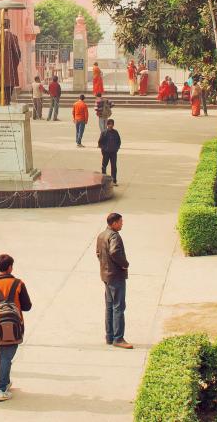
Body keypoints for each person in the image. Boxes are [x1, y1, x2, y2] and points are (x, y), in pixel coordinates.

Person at [0, 254, 32, 402]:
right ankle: (2, 388)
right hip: (15, 325)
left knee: (3, 352)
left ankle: (5, 381)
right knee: (6, 356)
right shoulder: (18, 283)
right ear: (10, 267)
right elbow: (27, 306)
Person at [96, 213, 131, 348]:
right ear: (114, 223)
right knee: (118, 307)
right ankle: (118, 338)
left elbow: (98, 254)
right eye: (121, 222)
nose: (122, 224)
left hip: (106, 276)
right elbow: (115, 252)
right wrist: (124, 264)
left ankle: (109, 336)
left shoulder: (101, 235)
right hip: (116, 276)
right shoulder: (114, 236)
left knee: (110, 307)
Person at [0, 18, 22, 105]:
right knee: (10, 83)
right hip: (10, 66)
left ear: (1, 26)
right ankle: (7, 101)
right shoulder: (13, 37)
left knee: (0, 84)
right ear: (9, 25)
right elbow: (17, 53)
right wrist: (15, 62)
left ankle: (1, 101)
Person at [98, 119, 122, 186]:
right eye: (109, 124)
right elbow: (100, 142)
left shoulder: (115, 132)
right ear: (107, 125)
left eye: (112, 124)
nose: (110, 125)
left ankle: (114, 180)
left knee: (114, 167)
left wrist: (116, 148)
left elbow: (119, 141)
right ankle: (103, 180)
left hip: (113, 152)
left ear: (113, 125)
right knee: (104, 166)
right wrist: (103, 149)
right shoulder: (104, 133)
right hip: (106, 152)